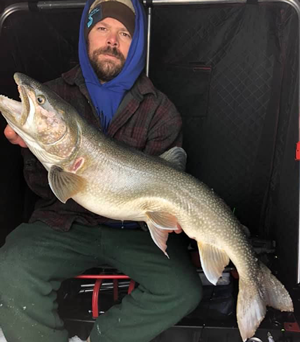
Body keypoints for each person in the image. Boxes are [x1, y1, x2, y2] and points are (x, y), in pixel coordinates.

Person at [0, 0, 202, 341]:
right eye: (102, 29)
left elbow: (164, 188)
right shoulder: (54, 93)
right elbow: (40, 187)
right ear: (86, 35)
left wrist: (171, 214)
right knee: (11, 268)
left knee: (182, 289)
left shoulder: (161, 111)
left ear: (135, 43)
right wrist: (32, 148)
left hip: (132, 231)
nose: (112, 40)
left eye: (124, 33)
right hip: (64, 224)